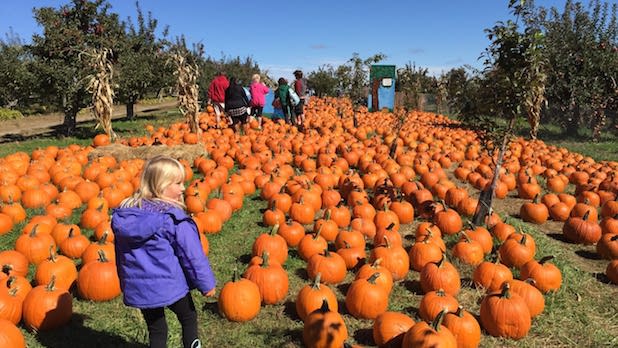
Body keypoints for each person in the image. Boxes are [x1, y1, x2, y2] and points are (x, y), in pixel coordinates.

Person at [112, 156, 216, 348]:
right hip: (170, 285)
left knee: (157, 328)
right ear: (161, 186)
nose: (183, 188)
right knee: (188, 317)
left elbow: (121, 255)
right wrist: (206, 284)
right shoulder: (171, 219)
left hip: (140, 289)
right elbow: (192, 256)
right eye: (178, 183)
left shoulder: (126, 214)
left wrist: (125, 282)